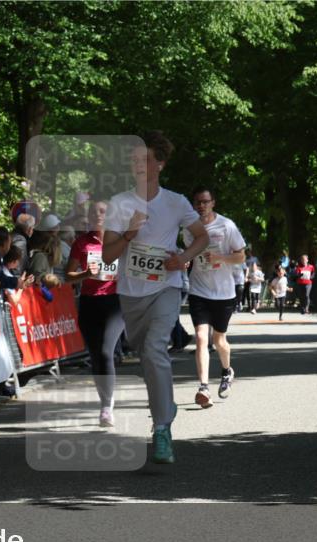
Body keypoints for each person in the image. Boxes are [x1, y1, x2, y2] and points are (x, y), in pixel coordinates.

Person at [101, 132, 209, 463]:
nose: (137, 164)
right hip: (131, 292)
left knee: (154, 349)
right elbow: (107, 255)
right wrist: (130, 234)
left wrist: (183, 257)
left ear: (159, 164)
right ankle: (166, 406)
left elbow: (201, 237)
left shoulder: (176, 202)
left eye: (143, 159)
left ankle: (162, 427)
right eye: (133, 159)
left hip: (167, 286)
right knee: (145, 355)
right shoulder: (120, 203)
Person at [184, 187, 246, 409]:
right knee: (201, 338)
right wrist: (184, 260)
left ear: (213, 203)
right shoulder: (189, 229)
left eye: (205, 202)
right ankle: (203, 387)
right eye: (197, 202)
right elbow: (189, 254)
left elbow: (241, 256)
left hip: (224, 293)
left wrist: (220, 257)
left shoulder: (226, 225)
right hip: (199, 290)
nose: (201, 206)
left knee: (220, 341)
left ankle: (227, 371)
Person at [65, 199, 124, 427]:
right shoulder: (81, 243)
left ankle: (107, 408)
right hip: (89, 303)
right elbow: (68, 275)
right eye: (93, 212)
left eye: (102, 212)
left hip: (115, 302)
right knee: (96, 355)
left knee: (106, 351)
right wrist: (85, 274)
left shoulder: (120, 241)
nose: (97, 215)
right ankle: (105, 402)